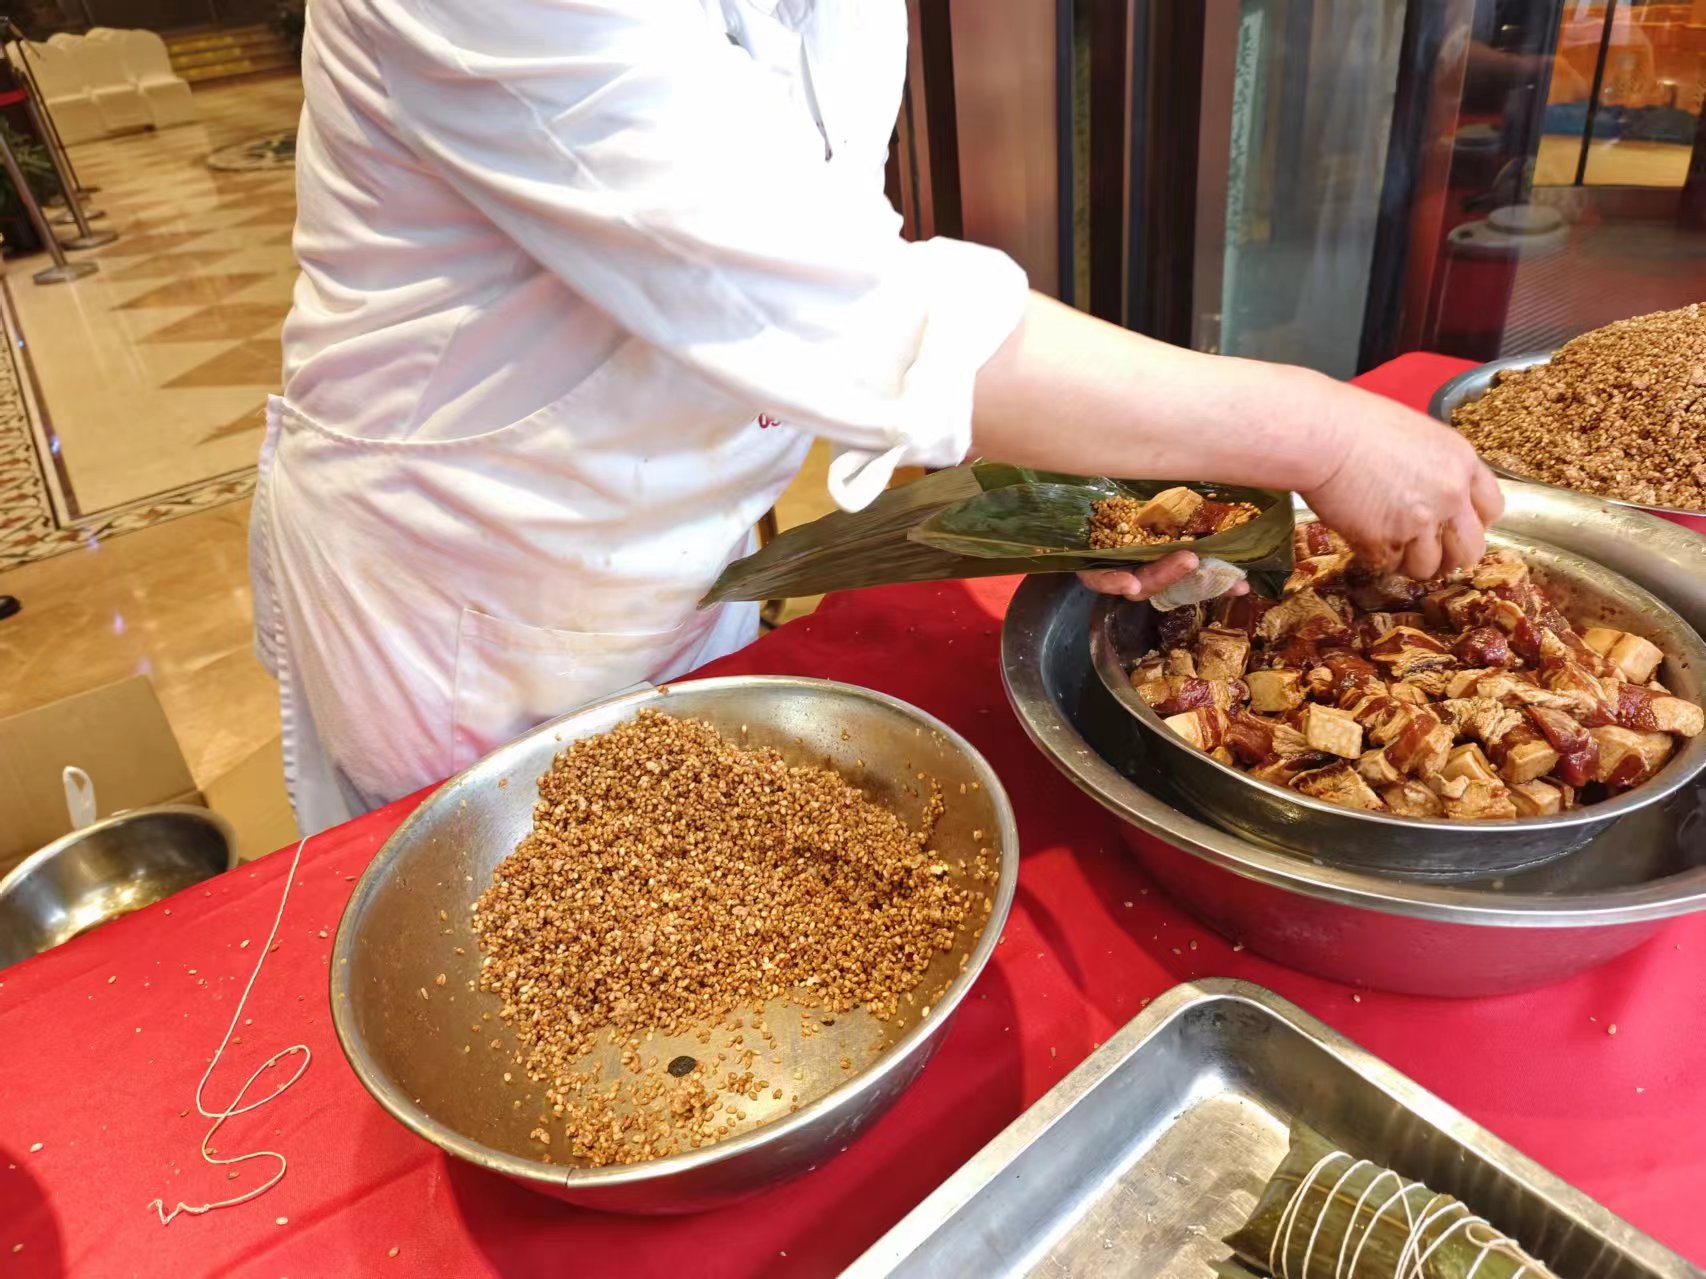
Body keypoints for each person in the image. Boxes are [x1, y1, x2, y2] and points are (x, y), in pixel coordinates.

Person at [256, 0, 1502, 835]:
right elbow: (834, 307)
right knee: (512, 928)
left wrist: (1080, 471)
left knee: (682, 853)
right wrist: (1322, 431)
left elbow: (822, 239)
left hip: (686, 548)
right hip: (472, 580)